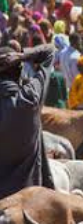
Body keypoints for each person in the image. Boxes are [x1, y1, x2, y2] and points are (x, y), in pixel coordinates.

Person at [0, 44, 56, 199]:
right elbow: (50, 51)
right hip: (28, 199)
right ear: (19, 72)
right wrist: (22, 56)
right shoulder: (31, 96)